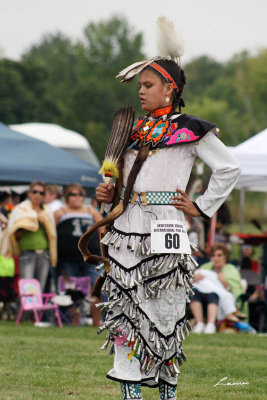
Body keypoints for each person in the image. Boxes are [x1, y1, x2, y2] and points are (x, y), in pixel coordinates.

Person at [88, 18, 241, 400]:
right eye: (139, 86)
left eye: (148, 85)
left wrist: (202, 206)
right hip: (127, 228)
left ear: (169, 89)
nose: (140, 92)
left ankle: (168, 392)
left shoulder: (191, 130)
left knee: (167, 311)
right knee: (124, 310)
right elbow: (122, 182)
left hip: (167, 227)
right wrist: (109, 195)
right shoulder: (132, 133)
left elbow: (229, 168)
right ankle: (131, 394)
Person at [54, 183, 104, 326]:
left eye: (80, 194)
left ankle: (97, 321)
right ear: (66, 197)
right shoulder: (60, 212)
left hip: (91, 257)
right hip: (68, 258)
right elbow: (51, 233)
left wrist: (104, 249)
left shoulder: (91, 211)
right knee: (72, 290)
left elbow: (102, 228)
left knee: (96, 288)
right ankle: (74, 322)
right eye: (73, 194)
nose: (77, 197)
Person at [8, 181, 57, 292]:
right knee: (27, 289)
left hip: (44, 254)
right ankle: (26, 310)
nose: (38, 195)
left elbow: (52, 235)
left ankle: (37, 310)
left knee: (40, 287)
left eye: (41, 193)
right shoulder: (20, 210)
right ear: (29, 194)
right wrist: (27, 224)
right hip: (26, 253)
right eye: (35, 192)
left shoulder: (47, 211)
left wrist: (43, 222)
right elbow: (13, 232)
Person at [190, 244, 245, 334]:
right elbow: (192, 283)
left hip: (220, 301)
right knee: (195, 292)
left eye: (219, 255)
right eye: (213, 256)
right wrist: (194, 279)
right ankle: (199, 323)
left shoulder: (232, 271)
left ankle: (211, 324)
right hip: (202, 300)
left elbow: (236, 293)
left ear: (225, 257)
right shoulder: (205, 268)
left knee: (213, 294)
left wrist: (224, 283)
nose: (216, 258)